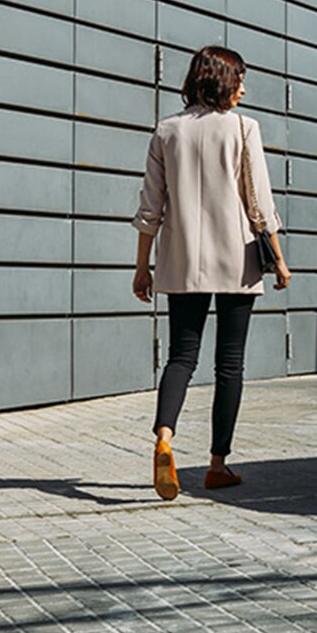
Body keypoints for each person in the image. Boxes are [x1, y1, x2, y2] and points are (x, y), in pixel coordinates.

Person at [133, 46, 291, 500]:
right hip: (236, 260)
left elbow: (150, 210)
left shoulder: (167, 131)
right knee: (230, 363)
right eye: (239, 78)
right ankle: (217, 464)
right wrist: (278, 258)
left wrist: (142, 266)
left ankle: (164, 437)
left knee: (182, 356)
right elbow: (258, 203)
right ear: (221, 80)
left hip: (180, 261)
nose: (244, 87)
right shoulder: (244, 128)